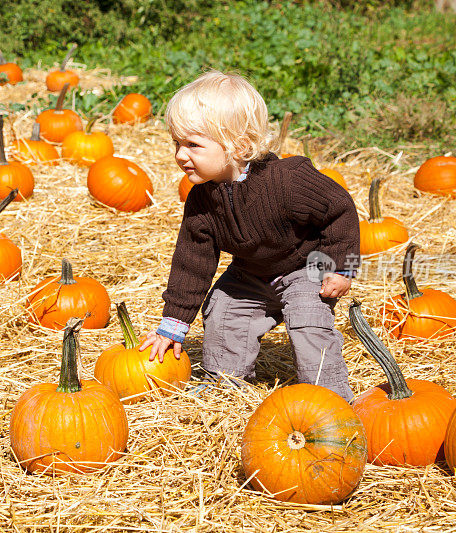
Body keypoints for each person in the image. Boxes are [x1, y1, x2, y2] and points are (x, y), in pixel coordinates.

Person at [138, 70, 360, 402]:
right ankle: (227, 382)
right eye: (177, 143)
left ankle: (328, 397)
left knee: (308, 317)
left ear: (239, 146)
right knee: (223, 307)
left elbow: (340, 209)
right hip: (251, 272)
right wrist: (174, 323)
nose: (180, 155)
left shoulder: (288, 180)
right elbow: (192, 263)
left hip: (304, 267)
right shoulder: (201, 200)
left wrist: (339, 268)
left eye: (193, 145)